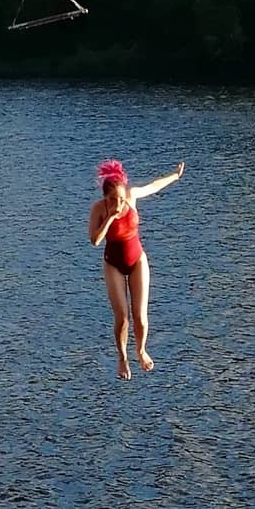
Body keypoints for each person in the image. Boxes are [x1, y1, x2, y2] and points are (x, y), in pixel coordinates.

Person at [88, 158, 184, 380]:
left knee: (140, 317)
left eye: (121, 199)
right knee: (123, 317)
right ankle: (122, 357)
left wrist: (174, 175)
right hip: (113, 263)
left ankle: (141, 350)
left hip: (137, 260)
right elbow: (94, 240)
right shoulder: (99, 209)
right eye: (113, 199)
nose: (119, 203)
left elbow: (154, 186)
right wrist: (111, 217)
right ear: (105, 198)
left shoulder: (130, 196)